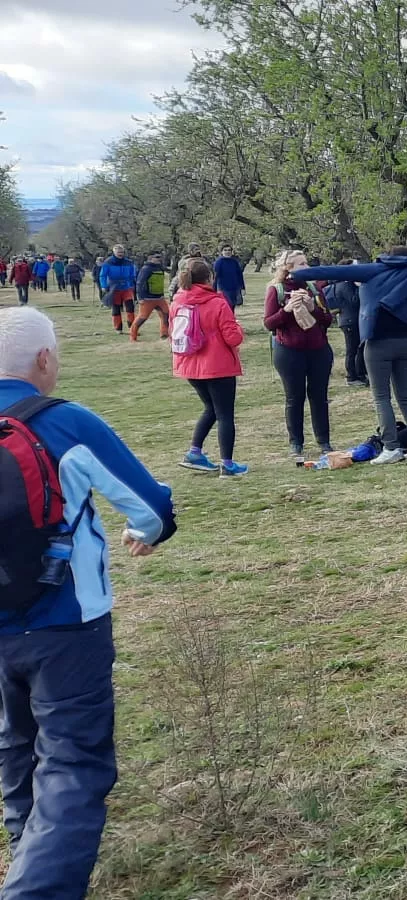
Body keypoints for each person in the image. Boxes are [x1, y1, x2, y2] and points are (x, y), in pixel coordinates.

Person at [0, 306, 177, 900]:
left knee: (16, 737)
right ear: (45, 360)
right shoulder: (66, 421)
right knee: (73, 762)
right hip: (67, 621)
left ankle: (27, 845)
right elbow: (151, 507)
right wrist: (145, 533)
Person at [290, 249, 407, 464]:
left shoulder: (376, 270)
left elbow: (337, 271)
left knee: (381, 396)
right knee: (405, 395)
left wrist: (296, 275)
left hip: (378, 343)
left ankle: (391, 447)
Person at [170, 258, 250, 477]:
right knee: (225, 414)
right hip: (217, 365)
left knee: (211, 408)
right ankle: (228, 464)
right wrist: (239, 328)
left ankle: (194, 452)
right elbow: (233, 338)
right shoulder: (217, 302)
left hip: (189, 365)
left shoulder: (178, 301)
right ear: (210, 278)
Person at [262, 250, 335, 461]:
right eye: (301, 264)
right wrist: (286, 310)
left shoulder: (313, 288)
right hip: (289, 351)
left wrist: (313, 307)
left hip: (318, 350)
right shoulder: (276, 290)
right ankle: (296, 443)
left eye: (306, 263)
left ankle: (324, 441)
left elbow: (328, 320)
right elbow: (268, 323)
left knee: (319, 397)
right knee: (294, 398)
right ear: (288, 268)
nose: (306, 267)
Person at [324, 258, 368, 386]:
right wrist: (360, 287)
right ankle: (352, 377)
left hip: (353, 320)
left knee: (359, 349)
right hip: (349, 321)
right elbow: (354, 301)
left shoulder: (348, 284)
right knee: (352, 350)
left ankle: (360, 373)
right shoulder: (344, 284)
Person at [127, 251, 171, 342]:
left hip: (159, 297)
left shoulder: (160, 268)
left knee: (166, 315)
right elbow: (139, 283)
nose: (159, 259)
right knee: (142, 318)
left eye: (160, 257)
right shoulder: (146, 269)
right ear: (150, 259)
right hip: (147, 298)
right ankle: (133, 335)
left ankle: (164, 334)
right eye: (157, 257)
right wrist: (140, 298)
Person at [98, 247, 138, 333]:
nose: (120, 254)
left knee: (130, 307)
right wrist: (103, 286)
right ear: (114, 252)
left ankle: (132, 327)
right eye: (118, 252)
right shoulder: (108, 262)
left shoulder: (128, 262)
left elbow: (132, 274)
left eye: (122, 252)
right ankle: (118, 328)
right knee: (116, 308)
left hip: (126, 287)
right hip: (114, 287)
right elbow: (103, 275)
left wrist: (132, 284)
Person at [214, 244, 247, 308]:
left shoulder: (234, 262)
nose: (227, 252)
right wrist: (214, 290)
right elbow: (215, 277)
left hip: (235, 289)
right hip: (224, 289)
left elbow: (239, 275)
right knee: (226, 306)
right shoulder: (219, 262)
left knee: (233, 306)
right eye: (225, 250)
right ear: (222, 252)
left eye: (229, 250)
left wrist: (242, 288)